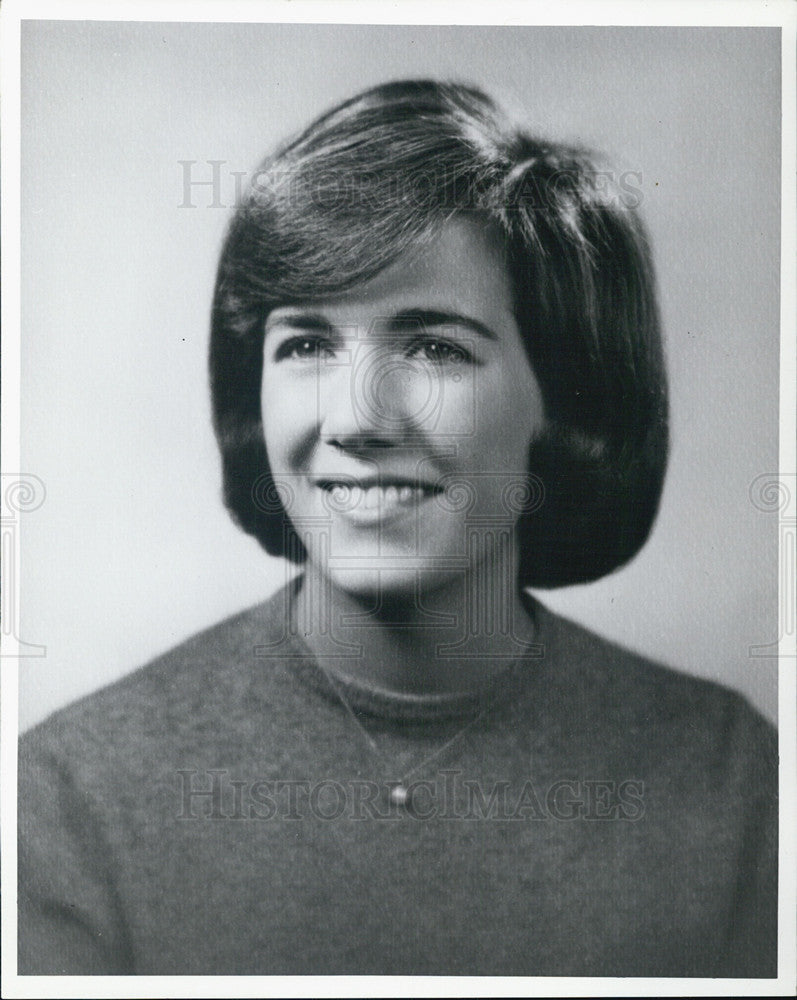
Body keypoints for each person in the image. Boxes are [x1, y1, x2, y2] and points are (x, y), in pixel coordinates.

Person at [18, 79, 777, 977]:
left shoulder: (732, 785)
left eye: (434, 348)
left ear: (562, 397)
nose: (358, 420)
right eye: (306, 344)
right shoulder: (75, 799)